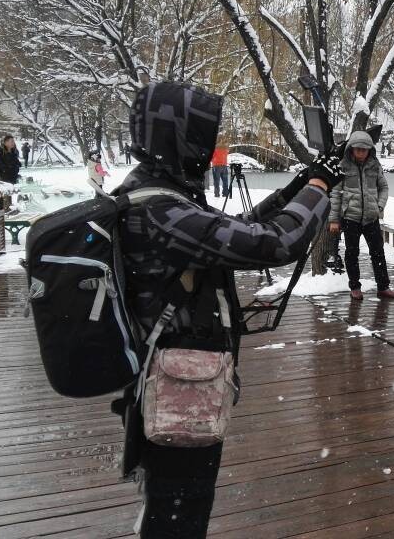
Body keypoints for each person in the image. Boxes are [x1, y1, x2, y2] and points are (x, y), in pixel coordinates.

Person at [111, 81, 341, 538]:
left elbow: (234, 230)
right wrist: (317, 188)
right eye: (202, 135)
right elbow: (276, 243)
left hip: (172, 377)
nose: (207, 146)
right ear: (178, 136)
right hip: (178, 383)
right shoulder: (159, 208)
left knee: (176, 498)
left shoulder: (157, 193)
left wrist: (298, 185)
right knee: (182, 508)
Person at [328, 131, 394, 300]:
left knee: (378, 252)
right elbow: (336, 193)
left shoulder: (375, 166)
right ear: (351, 149)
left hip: (371, 217)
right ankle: (355, 286)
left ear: (370, 150)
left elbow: (384, 188)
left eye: (364, 149)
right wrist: (333, 219)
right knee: (352, 253)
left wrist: (379, 206)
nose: (361, 152)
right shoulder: (343, 166)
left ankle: (383, 287)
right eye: (357, 149)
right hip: (350, 218)